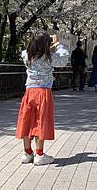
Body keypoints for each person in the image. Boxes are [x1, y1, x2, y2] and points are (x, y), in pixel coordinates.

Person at [17, 31, 69, 166]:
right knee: (41, 121)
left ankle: (27, 153)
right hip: (43, 92)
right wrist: (57, 44)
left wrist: (39, 41)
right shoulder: (49, 58)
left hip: (29, 92)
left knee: (27, 121)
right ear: (46, 45)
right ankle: (39, 154)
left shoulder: (26, 56)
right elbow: (63, 59)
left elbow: (27, 50)